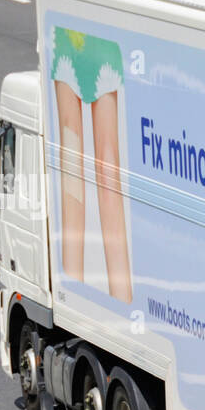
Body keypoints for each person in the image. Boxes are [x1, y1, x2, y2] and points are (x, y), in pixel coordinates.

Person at [50, 28, 133, 303]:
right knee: (107, 166)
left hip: (72, 42)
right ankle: (121, 294)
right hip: (99, 42)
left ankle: (72, 291)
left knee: (72, 159)